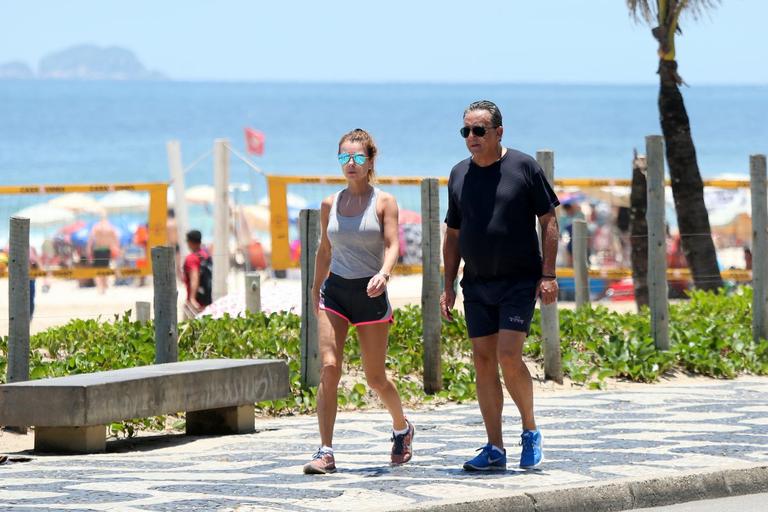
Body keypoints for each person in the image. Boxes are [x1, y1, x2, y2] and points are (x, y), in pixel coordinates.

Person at [441, 100, 560, 471]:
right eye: (466, 131)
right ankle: (494, 447)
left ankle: (530, 430)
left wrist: (549, 273)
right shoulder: (458, 174)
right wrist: (448, 285)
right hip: (476, 283)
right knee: (482, 362)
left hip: (518, 281)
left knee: (509, 355)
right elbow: (453, 234)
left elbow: (549, 221)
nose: (472, 138)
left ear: (498, 132)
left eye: (479, 130)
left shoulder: (524, 167)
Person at [303, 128, 413, 474]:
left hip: (371, 294)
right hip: (335, 292)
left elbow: (393, 243)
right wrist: (314, 287)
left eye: (358, 158)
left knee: (375, 377)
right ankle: (325, 451)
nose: (350, 164)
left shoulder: (383, 202)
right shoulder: (329, 204)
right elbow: (325, 249)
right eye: (344, 158)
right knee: (330, 367)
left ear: (370, 161)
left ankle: (402, 428)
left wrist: (384, 273)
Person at [86, 213, 120, 294]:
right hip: (106, 249)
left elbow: (91, 239)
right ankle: (104, 286)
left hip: (97, 249)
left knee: (97, 269)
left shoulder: (97, 226)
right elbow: (115, 239)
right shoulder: (110, 227)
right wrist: (117, 249)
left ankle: (99, 287)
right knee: (105, 268)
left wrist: (88, 249)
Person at [182, 230, 212, 319]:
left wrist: (192, 298)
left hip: (195, 304)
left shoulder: (191, 258)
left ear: (190, 242)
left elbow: (194, 278)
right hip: (207, 301)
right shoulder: (206, 255)